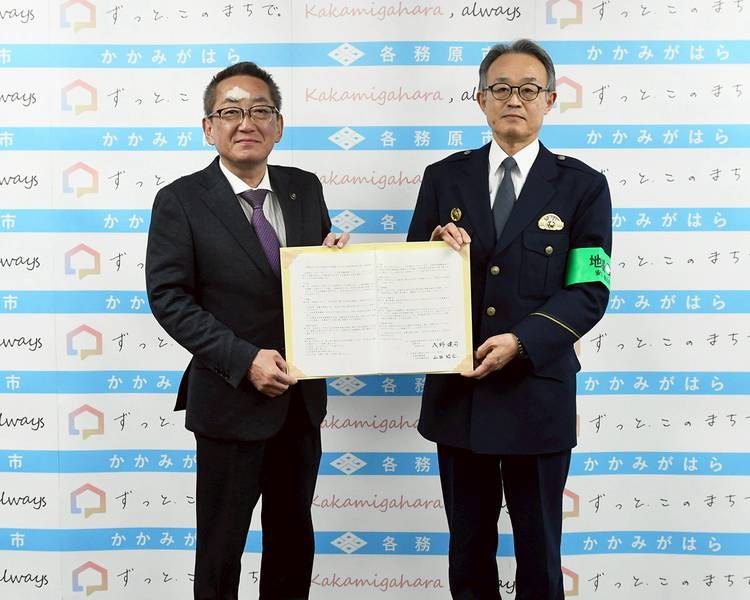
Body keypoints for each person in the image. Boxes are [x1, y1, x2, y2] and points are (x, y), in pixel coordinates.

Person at [407, 39, 612, 599]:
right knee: (468, 551)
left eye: (528, 89)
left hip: (537, 392)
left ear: (550, 100)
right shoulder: (443, 177)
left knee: (540, 552)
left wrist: (521, 342)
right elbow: (410, 280)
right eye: (500, 88)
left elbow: (589, 290)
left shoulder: (582, 185)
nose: (513, 99)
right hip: (460, 393)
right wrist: (431, 250)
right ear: (481, 99)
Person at [145, 61, 348, 600]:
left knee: (292, 542)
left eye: (260, 110)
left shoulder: (305, 188)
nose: (246, 122)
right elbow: (169, 298)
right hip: (229, 401)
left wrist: (336, 266)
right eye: (230, 111)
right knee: (221, 550)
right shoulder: (181, 200)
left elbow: (311, 283)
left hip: (299, 403)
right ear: (208, 128)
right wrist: (244, 359)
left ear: (278, 125)